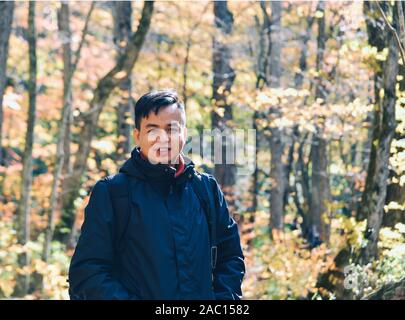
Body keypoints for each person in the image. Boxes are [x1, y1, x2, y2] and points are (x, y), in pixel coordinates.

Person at [68, 89, 245, 300]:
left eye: (171, 129)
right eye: (152, 130)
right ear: (137, 135)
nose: (163, 138)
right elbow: (87, 274)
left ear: (184, 134)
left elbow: (231, 257)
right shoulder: (113, 193)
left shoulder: (205, 189)